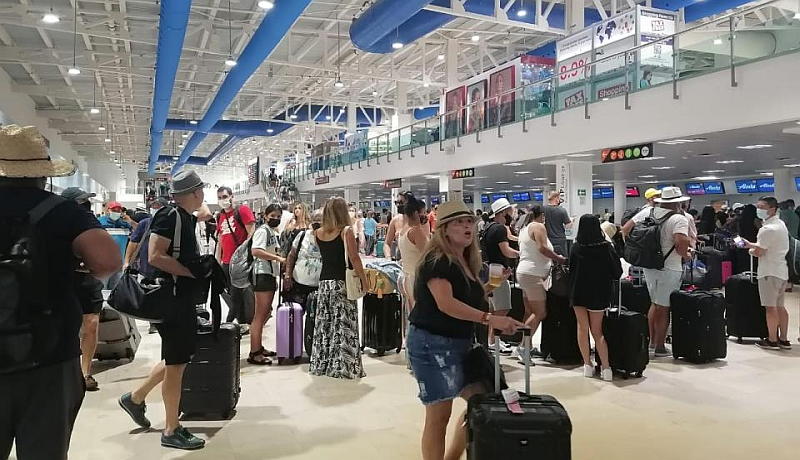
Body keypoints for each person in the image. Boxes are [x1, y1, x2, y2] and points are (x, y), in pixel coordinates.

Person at [0, 125, 121, 460]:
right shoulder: (61, 211)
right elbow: (109, 262)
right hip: (48, 354)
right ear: (42, 173)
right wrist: (79, 265)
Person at [406, 200, 523, 460]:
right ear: (444, 229)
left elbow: (465, 298)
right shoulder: (437, 261)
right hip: (431, 345)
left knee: (481, 402)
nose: (467, 226)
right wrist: (489, 318)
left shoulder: (465, 261)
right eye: (459, 222)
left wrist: (491, 286)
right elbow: (446, 304)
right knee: (439, 416)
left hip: (459, 343)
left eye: (469, 221)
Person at [118, 170, 209, 450]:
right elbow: (156, 254)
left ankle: (135, 398)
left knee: (176, 357)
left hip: (177, 298)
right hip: (172, 297)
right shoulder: (170, 216)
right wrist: (188, 274)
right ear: (195, 192)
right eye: (201, 191)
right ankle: (171, 428)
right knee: (177, 364)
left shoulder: (180, 215)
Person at [309, 197, 368, 379]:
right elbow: (354, 258)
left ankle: (322, 363)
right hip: (341, 283)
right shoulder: (346, 232)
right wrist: (365, 281)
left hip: (324, 284)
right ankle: (344, 367)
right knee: (344, 325)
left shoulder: (317, 233)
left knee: (324, 326)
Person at [629, 187, 691, 357]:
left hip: (649, 265)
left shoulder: (648, 212)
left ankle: (651, 342)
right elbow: (681, 241)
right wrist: (686, 255)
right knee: (664, 307)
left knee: (654, 303)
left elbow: (626, 228)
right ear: (678, 202)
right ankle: (660, 347)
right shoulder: (678, 219)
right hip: (670, 267)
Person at [569, 215, 623, 381]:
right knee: (597, 331)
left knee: (582, 328)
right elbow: (617, 272)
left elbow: (571, 270)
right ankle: (606, 369)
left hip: (578, 292)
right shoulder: (606, 247)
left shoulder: (576, 247)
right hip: (599, 293)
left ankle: (587, 365)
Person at [62, 187, 105, 392]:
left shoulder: (91, 222)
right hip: (66, 279)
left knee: (92, 322)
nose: (85, 205)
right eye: (81, 202)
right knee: (67, 325)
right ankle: (67, 371)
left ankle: (85, 372)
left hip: (89, 279)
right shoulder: (56, 226)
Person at [516, 205, 566, 362]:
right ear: (542, 215)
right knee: (540, 313)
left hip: (524, 273)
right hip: (533, 274)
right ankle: (523, 347)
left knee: (530, 312)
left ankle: (525, 345)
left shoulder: (524, 229)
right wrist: (558, 258)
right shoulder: (538, 226)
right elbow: (542, 248)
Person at [741, 197, 791, 350]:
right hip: (781, 270)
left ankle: (772, 340)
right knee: (780, 306)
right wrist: (753, 245)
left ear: (772, 209)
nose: (759, 209)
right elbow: (768, 246)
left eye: (762, 206)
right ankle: (783, 338)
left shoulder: (766, 229)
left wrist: (749, 249)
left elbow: (759, 252)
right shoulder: (780, 225)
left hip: (769, 272)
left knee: (770, 307)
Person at [248, 204, 286, 365]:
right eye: (273, 216)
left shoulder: (271, 231)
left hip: (268, 274)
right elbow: (255, 251)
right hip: (261, 274)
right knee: (260, 315)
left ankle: (259, 347)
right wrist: (277, 258)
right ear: (265, 215)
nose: (276, 219)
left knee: (264, 313)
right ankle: (254, 352)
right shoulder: (263, 231)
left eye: (278, 216)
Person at [216, 186, 256, 333]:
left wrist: (245, 256)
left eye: (225, 196)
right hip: (226, 262)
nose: (222, 200)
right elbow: (220, 239)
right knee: (231, 293)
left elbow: (251, 233)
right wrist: (218, 260)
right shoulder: (221, 216)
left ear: (231, 196)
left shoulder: (242, 210)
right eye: (219, 197)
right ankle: (241, 322)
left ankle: (233, 322)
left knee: (239, 294)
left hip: (240, 262)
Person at [483, 198, 520, 354]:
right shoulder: (499, 229)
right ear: (503, 212)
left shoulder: (489, 227)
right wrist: (522, 253)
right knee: (503, 307)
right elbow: (506, 251)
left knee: (493, 307)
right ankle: (494, 342)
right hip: (498, 270)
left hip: (490, 269)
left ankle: (491, 341)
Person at [283, 210, 323, 308]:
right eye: (315, 220)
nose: (317, 223)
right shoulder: (302, 235)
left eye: (321, 220)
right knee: (295, 316)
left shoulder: (330, 237)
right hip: (299, 283)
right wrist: (288, 274)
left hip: (320, 286)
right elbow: (291, 255)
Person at [398, 194, 429, 307]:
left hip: (407, 276)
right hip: (417, 278)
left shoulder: (403, 230)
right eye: (424, 212)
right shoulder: (416, 231)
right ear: (416, 213)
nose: (425, 215)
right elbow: (428, 254)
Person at [98, 200, 133, 290]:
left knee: (116, 290)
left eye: (118, 211)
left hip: (118, 263)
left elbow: (138, 234)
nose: (116, 213)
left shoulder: (125, 224)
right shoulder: (99, 222)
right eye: (114, 210)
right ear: (108, 210)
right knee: (102, 289)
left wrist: (130, 222)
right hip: (103, 263)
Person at [385, 191, 429, 259]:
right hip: (401, 258)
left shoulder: (419, 223)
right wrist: (388, 257)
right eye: (397, 202)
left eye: (401, 202)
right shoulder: (395, 220)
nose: (398, 205)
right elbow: (387, 243)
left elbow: (425, 247)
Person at [543, 191, 572, 256]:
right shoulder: (562, 210)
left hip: (547, 239)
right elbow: (568, 226)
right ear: (556, 198)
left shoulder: (543, 209)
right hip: (560, 239)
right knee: (562, 259)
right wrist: (572, 220)